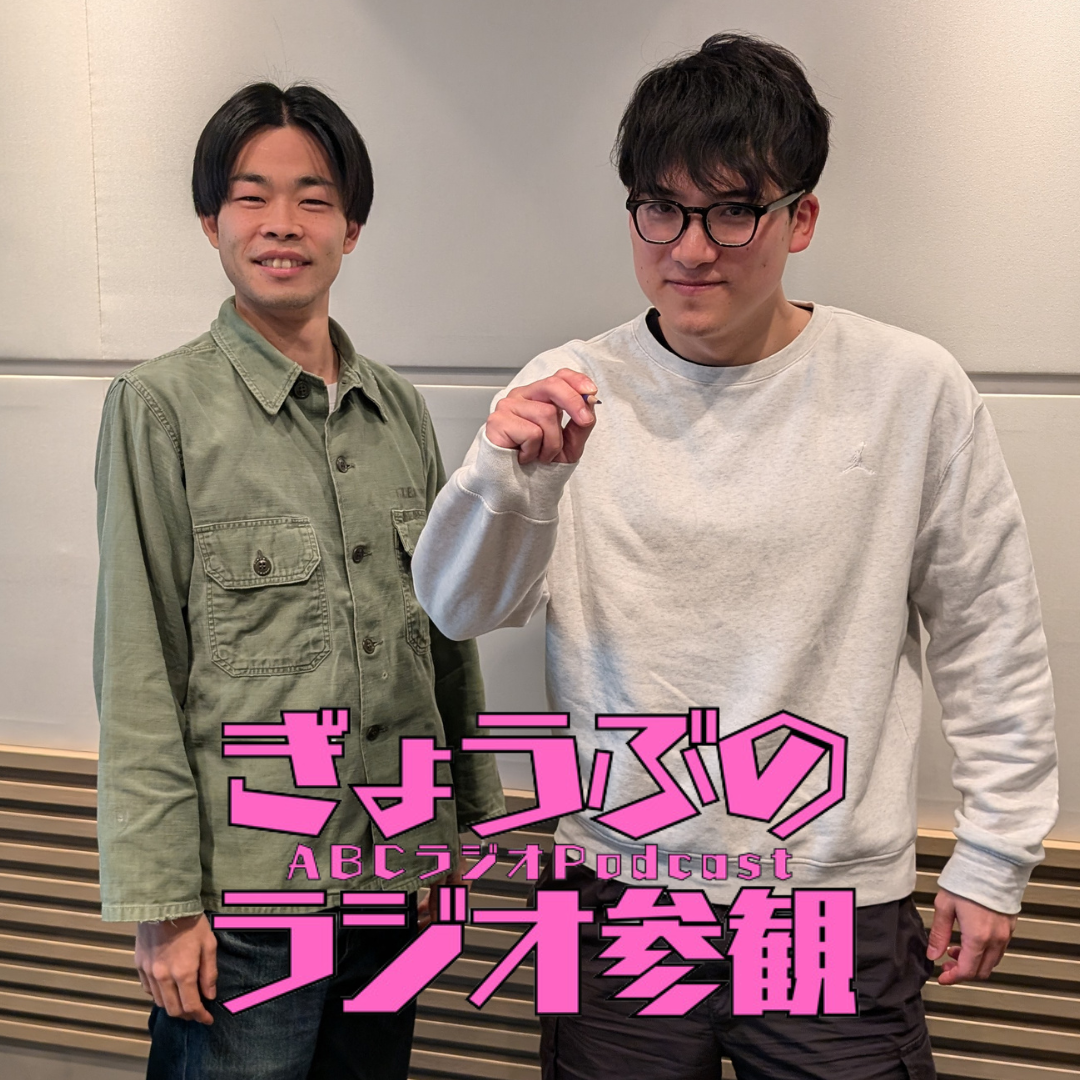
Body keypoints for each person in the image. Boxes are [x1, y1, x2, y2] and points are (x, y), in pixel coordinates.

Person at [411, 33, 1057, 1080]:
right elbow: (456, 606)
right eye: (661, 208)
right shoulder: (567, 388)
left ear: (801, 218)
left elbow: (991, 632)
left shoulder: (907, 388)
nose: (691, 247)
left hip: (829, 897)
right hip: (619, 894)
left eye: (732, 211)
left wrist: (994, 855)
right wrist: (505, 474)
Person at [93, 82, 503, 1080]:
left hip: (391, 877)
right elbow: (140, 667)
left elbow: (442, 638)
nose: (282, 224)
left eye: (314, 199)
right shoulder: (159, 408)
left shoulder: (398, 410)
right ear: (212, 221)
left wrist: (461, 831)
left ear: (351, 228)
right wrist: (163, 906)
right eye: (252, 196)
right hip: (247, 902)